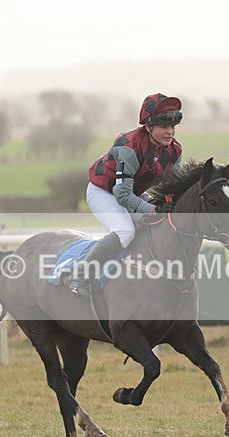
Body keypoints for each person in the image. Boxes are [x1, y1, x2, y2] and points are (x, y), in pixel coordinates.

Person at [67, 93, 183, 297]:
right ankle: (80, 275)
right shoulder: (129, 146)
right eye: (164, 126)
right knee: (125, 231)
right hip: (103, 192)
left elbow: (171, 187)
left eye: (173, 126)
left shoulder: (175, 151)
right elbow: (121, 194)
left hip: (132, 192)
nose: (170, 132)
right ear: (148, 127)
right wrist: (154, 209)